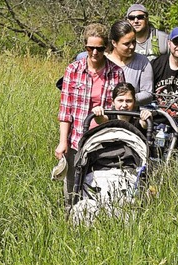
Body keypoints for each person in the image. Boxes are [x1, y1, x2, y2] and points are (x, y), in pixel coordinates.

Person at [56, 23, 125, 207]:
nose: (95, 53)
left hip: (103, 139)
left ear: (107, 47)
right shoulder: (73, 70)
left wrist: (104, 118)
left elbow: (119, 111)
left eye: (99, 49)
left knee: (97, 186)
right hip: (77, 138)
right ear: (85, 46)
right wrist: (63, 141)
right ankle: (69, 220)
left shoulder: (117, 73)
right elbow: (65, 109)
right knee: (72, 189)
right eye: (90, 48)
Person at [105, 20, 154, 106]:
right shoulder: (104, 61)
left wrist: (128, 100)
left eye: (134, 42)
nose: (132, 46)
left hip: (132, 115)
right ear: (114, 43)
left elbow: (147, 94)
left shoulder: (142, 62)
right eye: (126, 44)